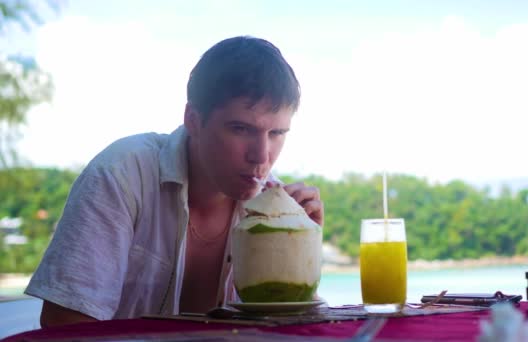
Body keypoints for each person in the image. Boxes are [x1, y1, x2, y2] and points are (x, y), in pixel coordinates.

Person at [24, 36, 324, 327]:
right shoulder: (124, 173)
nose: (261, 156)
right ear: (193, 119)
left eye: (277, 134)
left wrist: (301, 251)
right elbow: (64, 326)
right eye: (240, 128)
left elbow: (282, 332)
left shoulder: (277, 208)